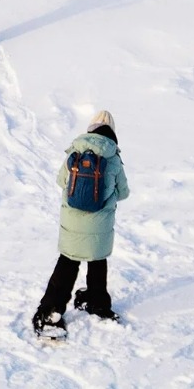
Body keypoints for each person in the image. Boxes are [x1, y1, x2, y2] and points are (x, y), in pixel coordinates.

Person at [32, 110, 128, 335]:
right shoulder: (113, 157)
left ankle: (51, 310)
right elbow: (123, 192)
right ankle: (98, 304)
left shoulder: (76, 150)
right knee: (97, 261)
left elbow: (60, 180)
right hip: (100, 223)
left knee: (68, 262)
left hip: (72, 219)